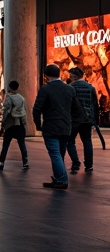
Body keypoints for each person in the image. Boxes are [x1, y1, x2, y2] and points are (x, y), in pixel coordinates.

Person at [33, 62, 85, 190]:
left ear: (46, 76)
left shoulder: (45, 89)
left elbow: (37, 109)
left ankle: (62, 180)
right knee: (59, 155)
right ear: (59, 74)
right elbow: (78, 110)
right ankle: (58, 178)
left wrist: (38, 125)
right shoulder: (69, 89)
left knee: (55, 154)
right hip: (65, 128)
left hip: (50, 127)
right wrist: (72, 123)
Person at [66, 66, 98, 174]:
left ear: (73, 76)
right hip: (87, 119)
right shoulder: (90, 88)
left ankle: (76, 162)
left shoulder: (70, 88)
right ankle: (89, 165)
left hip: (74, 119)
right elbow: (94, 105)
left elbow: (68, 105)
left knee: (70, 141)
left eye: (70, 75)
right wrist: (95, 121)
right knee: (87, 141)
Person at [0, 79, 28, 171]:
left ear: (9, 87)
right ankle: (25, 162)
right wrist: (24, 125)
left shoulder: (9, 98)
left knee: (6, 145)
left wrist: (2, 126)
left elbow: (6, 113)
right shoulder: (21, 98)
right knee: (22, 144)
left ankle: (1, 162)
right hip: (20, 124)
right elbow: (24, 112)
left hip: (10, 124)